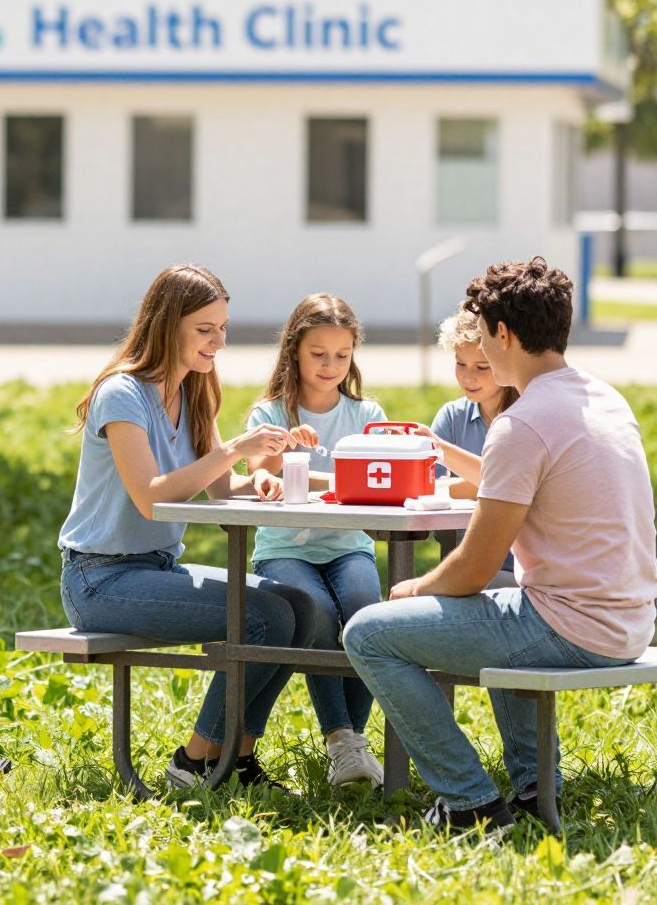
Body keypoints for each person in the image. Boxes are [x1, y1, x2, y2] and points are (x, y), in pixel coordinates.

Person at [344, 258, 657, 833]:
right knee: (512, 602)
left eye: (484, 335)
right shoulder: (607, 398)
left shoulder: (522, 423)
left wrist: (414, 586)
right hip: (631, 620)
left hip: (575, 627)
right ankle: (537, 788)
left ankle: (469, 805)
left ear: (504, 335)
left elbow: (473, 567)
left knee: (368, 632)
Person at [58, 263, 316, 791]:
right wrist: (233, 451)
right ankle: (195, 763)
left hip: (158, 568)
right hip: (100, 579)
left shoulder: (196, 390)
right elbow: (153, 500)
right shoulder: (122, 393)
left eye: (223, 328)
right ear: (168, 324)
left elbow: (221, 491)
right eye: (205, 329)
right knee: (264, 616)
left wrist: (262, 482)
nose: (218, 341)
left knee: (301, 609)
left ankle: (237, 761)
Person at [243, 294, 386, 789]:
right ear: (294, 352)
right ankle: (341, 740)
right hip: (285, 548)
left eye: (342, 355)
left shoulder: (367, 413)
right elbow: (256, 475)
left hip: (348, 545)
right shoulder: (268, 414)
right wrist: (280, 459)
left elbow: (376, 479)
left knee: (367, 612)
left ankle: (352, 743)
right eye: (318, 354)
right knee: (318, 612)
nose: (330, 366)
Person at [416, 306, 520, 588]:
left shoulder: (524, 417)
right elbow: (429, 492)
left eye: (482, 367)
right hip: (467, 564)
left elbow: (509, 483)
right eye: (460, 364)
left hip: (520, 569)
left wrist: (450, 463)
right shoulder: (452, 416)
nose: (468, 376)